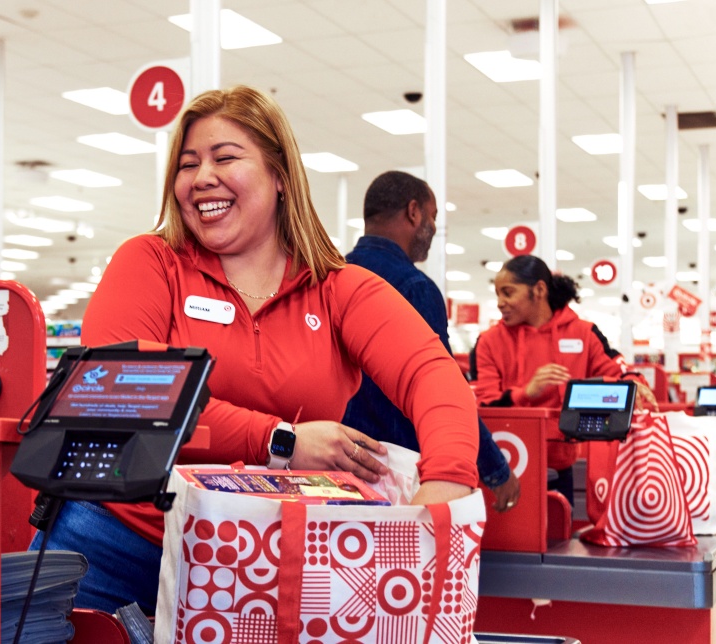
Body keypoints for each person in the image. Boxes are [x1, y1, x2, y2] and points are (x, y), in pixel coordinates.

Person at [32, 85, 479, 615]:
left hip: (268, 559)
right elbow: (124, 397)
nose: (202, 178)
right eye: (188, 163)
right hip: (113, 545)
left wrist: (448, 483)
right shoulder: (151, 263)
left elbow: (431, 373)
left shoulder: (339, 290)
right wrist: (282, 442)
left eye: (225, 158)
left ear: (280, 177)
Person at [342, 170, 520, 513]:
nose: (434, 229)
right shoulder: (413, 288)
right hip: (395, 471)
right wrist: (496, 471)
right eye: (434, 216)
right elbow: (445, 391)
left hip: (336, 467)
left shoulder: (330, 276)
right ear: (414, 212)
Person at [471, 254, 655, 504]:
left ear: (539, 289)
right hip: (506, 469)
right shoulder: (488, 342)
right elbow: (484, 405)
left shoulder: (583, 333)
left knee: (562, 540)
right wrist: (526, 392)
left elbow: (616, 369)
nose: (501, 303)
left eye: (508, 293)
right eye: (498, 295)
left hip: (562, 466)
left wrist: (634, 380)